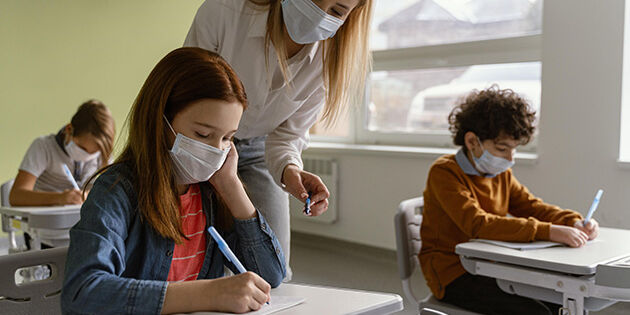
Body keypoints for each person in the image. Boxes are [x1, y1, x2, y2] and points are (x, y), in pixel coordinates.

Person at [61, 47, 286, 314]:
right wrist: (207, 293)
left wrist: (231, 186)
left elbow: (271, 276)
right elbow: (81, 293)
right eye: (203, 134)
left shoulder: (211, 193)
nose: (216, 151)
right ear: (161, 122)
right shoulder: (117, 190)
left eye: (228, 138)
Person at [184, 0, 373, 277]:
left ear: (352, 15)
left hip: (259, 149)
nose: (319, 15)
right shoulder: (224, 11)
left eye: (337, 11)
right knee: (196, 262)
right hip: (200, 140)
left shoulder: (331, 59)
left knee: (275, 271)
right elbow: (183, 96)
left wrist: (290, 170)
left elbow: (287, 135)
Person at [419, 86, 600, 315]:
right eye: (502, 148)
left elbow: (530, 206)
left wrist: (573, 221)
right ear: (472, 141)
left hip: (491, 265)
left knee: (562, 301)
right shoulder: (444, 172)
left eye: (514, 149)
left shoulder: (499, 173)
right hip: (452, 273)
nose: (510, 158)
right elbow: (477, 224)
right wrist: (550, 231)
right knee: (536, 312)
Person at [9, 99, 115, 207]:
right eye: (82, 148)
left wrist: (90, 195)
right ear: (69, 129)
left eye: (94, 153)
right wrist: (60, 198)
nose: (87, 156)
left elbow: (114, 193)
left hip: (84, 220)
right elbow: (16, 196)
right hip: (48, 220)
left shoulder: (102, 153)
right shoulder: (43, 147)